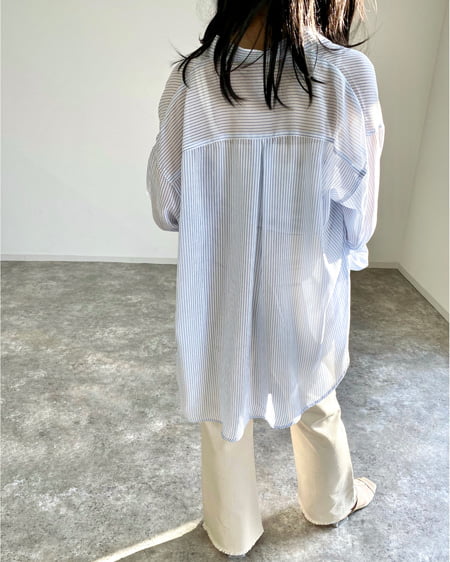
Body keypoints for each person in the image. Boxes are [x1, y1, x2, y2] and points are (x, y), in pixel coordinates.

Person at [146, 0, 385, 557]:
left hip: (217, 275)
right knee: (315, 387)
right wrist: (353, 246)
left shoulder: (194, 79)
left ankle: (232, 530)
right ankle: (330, 502)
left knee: (222, 397)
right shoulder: (344, 75)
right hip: (305, 271)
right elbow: (359, 199)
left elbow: (167, 200)